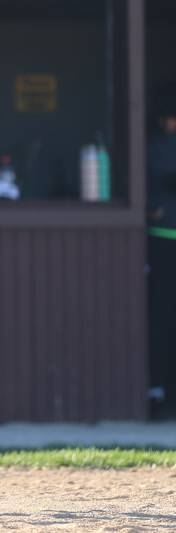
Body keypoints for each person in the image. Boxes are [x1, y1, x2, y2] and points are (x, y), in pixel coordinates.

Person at [146, 83, 176, 417]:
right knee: (162, 319)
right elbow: (149, 202)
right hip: (163, 238)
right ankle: (158, 393)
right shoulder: (154, 147)